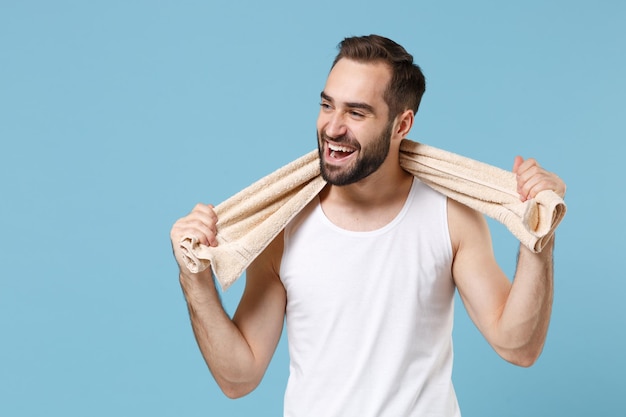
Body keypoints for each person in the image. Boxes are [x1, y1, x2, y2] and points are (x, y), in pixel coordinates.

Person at [170, 34, 566, 417]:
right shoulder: (282, 226)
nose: (333, 127)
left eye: (356, 112)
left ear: (402, 125)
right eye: (328, 105)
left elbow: (519, 348)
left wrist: (539, 238)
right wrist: (195, 278)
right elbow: (239, 378)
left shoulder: (451, 216)